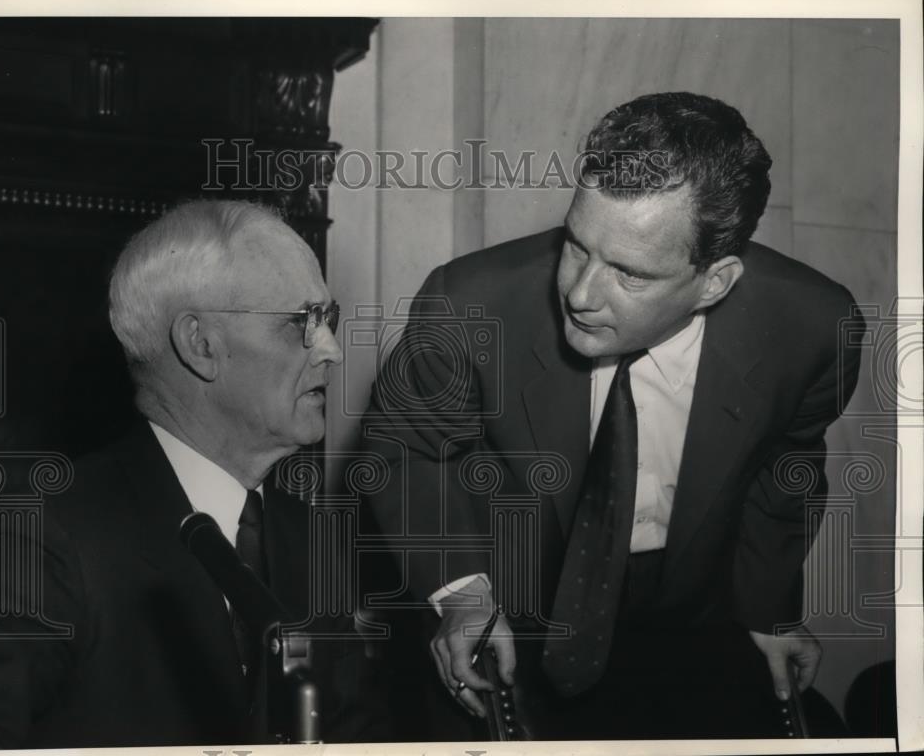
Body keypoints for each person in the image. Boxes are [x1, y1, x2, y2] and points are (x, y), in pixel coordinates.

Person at [360, 92, 864, 739]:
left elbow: (788, 459)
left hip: (689, 627)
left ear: (715, 282)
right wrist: (462, 594)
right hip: (514, 617)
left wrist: (767, 608)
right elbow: (404, 447)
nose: (579, 293)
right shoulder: (468, 303)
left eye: (628, 273)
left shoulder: (815, 328)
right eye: (577, 245)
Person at [0, 200, 381, 747]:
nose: (334, 351)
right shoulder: (38, 539)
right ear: (200, 345)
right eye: (304, 322)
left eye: (329, 319)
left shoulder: (314, 540)